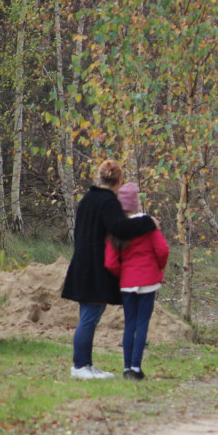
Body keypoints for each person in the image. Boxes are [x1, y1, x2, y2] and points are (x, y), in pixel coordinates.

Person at [62, 160, 157, 379]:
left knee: (88, 314)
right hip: (94, 267)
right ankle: (79, 366)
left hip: (81, 263)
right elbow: (120, 228)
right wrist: (148, 223)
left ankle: (86, 363)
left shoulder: (87, 200)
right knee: (89, 317)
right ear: (118, 181)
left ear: (100, 177)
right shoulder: (108, 202)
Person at [104, 182, 170, 380]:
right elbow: (163, 250)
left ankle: (126, 368)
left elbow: (110, 262)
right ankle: (136, 367)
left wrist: (122, 275)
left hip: (127, 282)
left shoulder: (115, 229)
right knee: (142, 324)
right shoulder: (148, 225)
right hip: (148, 280)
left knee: (130, 324)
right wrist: (158, 267)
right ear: (136, 203)